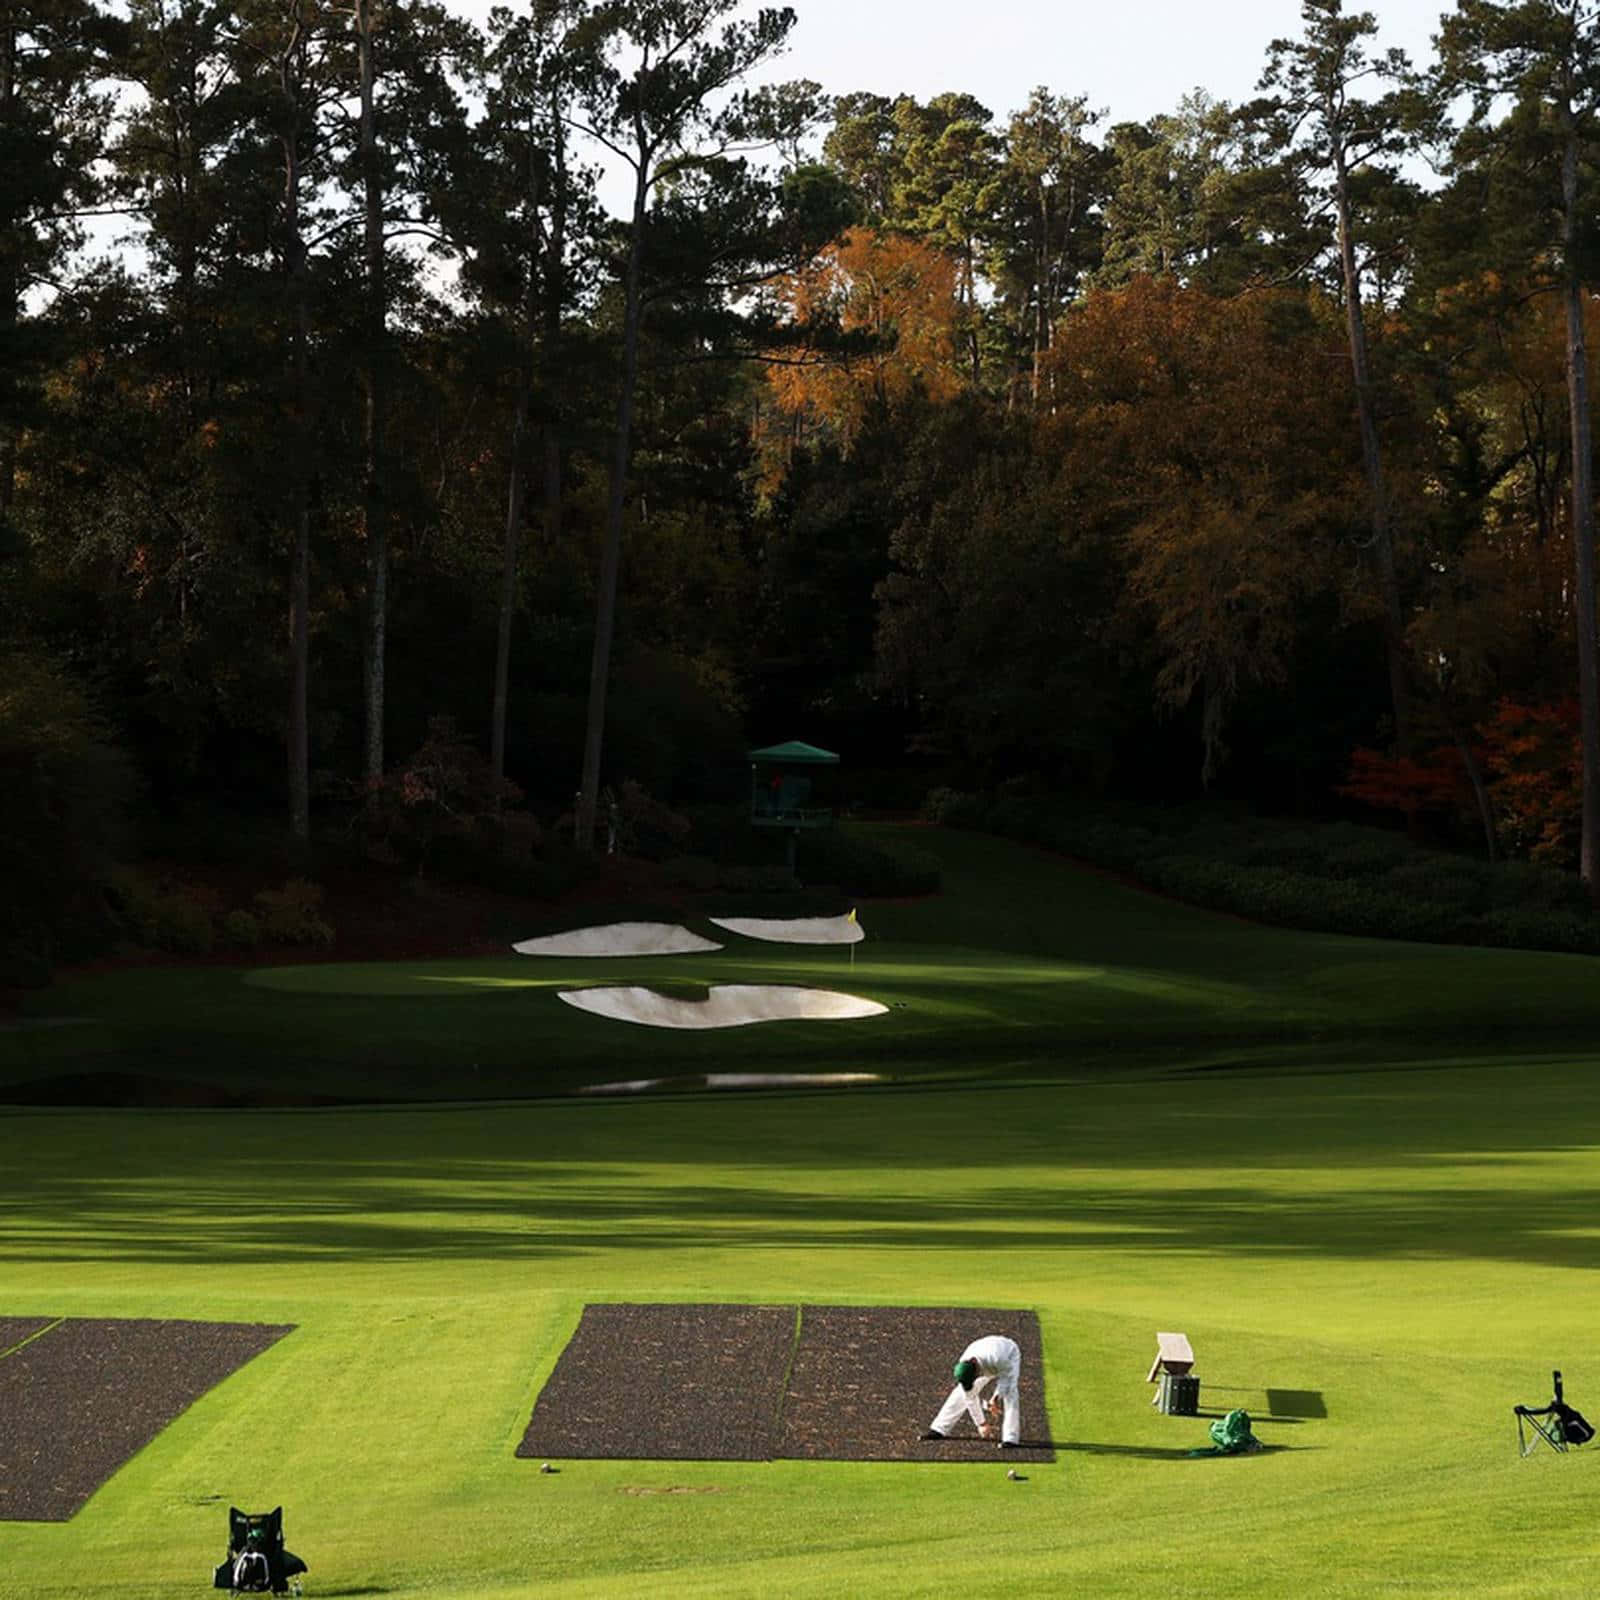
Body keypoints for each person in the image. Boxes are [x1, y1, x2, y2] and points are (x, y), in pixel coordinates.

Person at [919, 1334, 1022, 1447]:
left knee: (1010, 1392)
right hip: (987, 1356)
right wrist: (981, 1424)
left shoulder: (998, 1359)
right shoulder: (964, 1362)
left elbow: (1007, 1378)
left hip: (1009, 1354)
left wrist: (996, 1397)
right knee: (960, 1392)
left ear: (977, 1371)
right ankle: (939, 1429)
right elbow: (969, 1397)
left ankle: (1010, 1438)